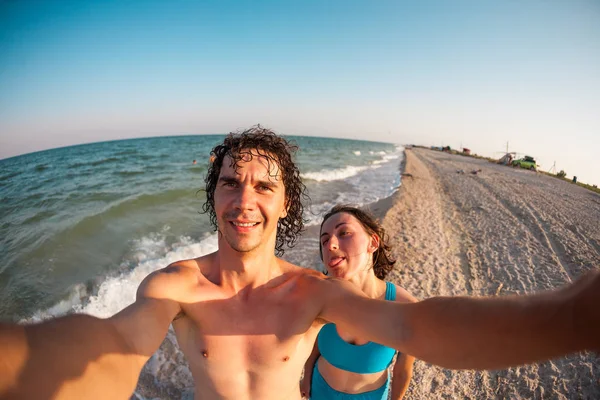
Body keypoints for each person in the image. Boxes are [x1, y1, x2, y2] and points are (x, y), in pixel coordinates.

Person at [0, 126, 599, 400]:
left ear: (285, 202)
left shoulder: (314, 292)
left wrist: (572, 316)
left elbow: (417, 327)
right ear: (213, 195)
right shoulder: (175, 285)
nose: (244, 200)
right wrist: (20, 362)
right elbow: (110, 346)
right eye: (231, 183)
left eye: (264, 186)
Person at [301, 205, 416, 400]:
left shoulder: (404, 307)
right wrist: (306, 378)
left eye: (344, 232)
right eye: (324, 240)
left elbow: (403, 369)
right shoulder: (321, 296)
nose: (331, 245)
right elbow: (314, 344)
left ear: (373, 242)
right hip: (319, 390)